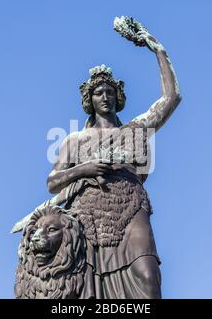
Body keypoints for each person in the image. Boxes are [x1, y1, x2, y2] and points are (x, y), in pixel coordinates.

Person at [46, 29, 182, 299]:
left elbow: (171, 99)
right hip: (88, 215)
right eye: (98, 93)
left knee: (147, 274)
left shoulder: (135, 129)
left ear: (117, 96)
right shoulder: (75, 140)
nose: (105, 97)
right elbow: (52, 182)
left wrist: (158, 51)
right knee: (91, 290)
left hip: (130, 205)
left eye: (109, 92)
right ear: (90, 99)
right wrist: (85, 168)